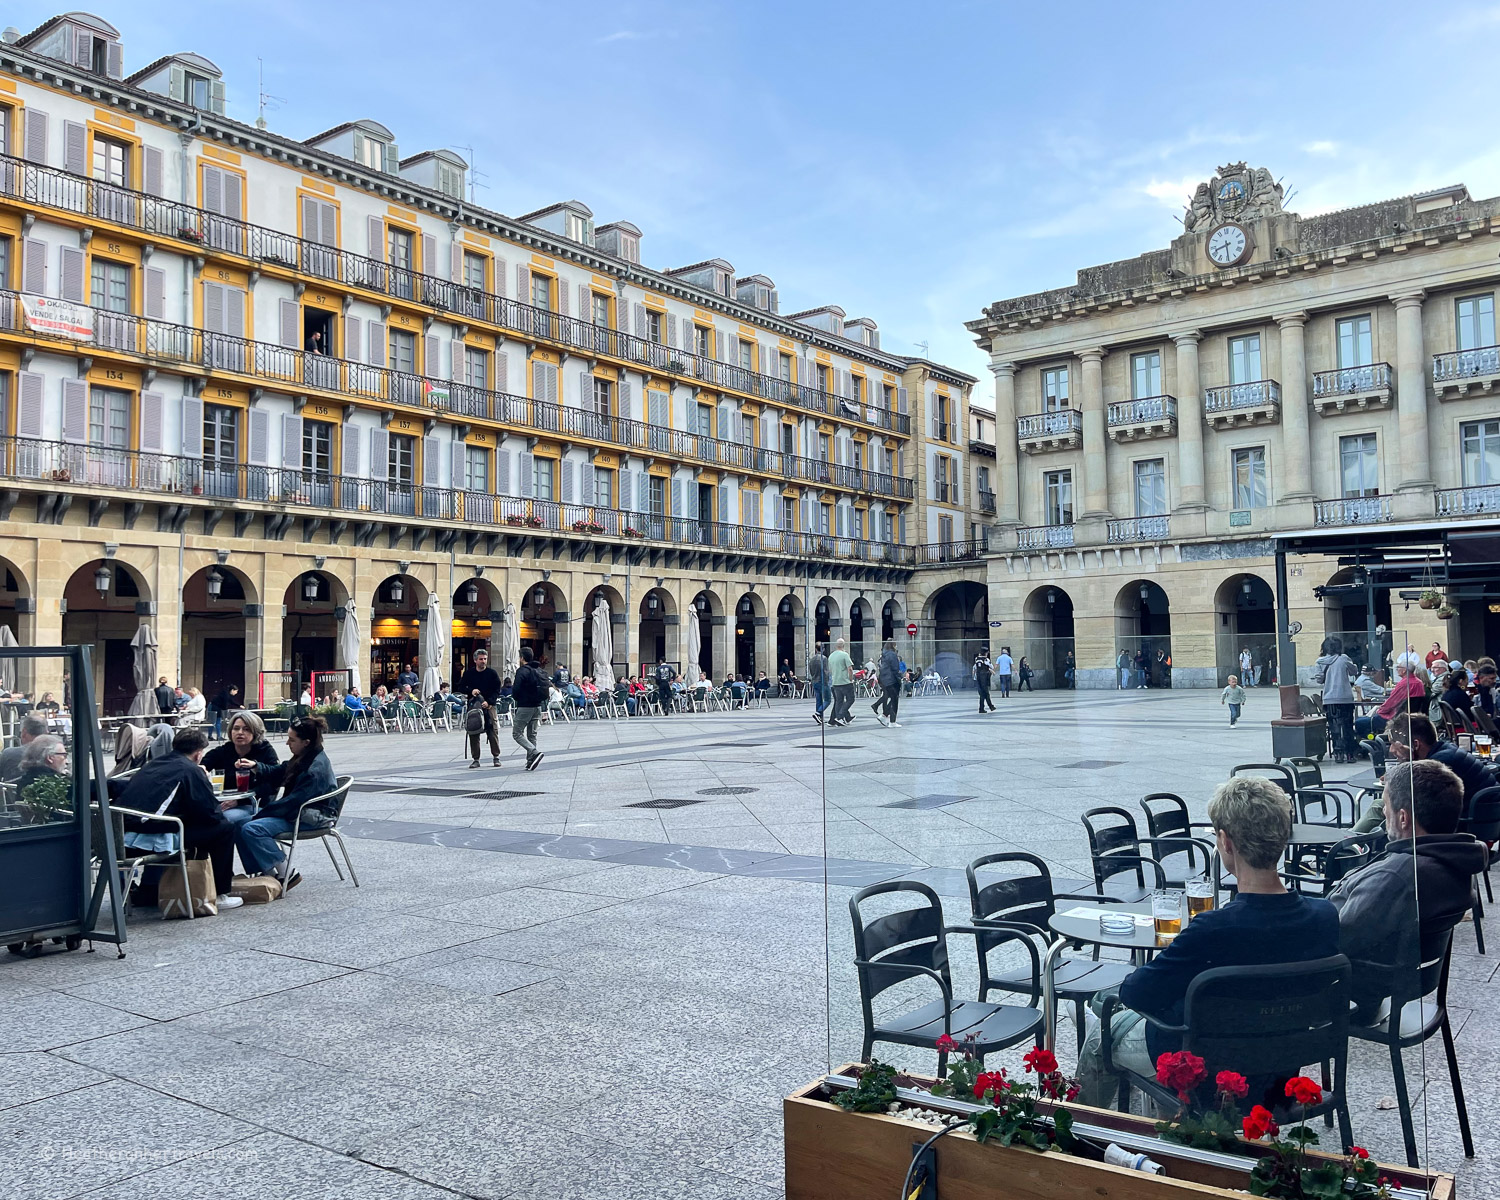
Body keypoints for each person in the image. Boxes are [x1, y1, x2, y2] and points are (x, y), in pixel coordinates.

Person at [1075, 775, 1339, 1106]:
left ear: (1225, 842)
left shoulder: (1213, 929)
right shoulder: (1324, 917)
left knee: (1101, 1034)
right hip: (1281, 1068)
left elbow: (1136, 994)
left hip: (1205, 1070)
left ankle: (1083, 1126)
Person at [1331, 759, 1486, 1021]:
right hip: (1388, 985)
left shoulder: (1397, 877)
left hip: (1353, 996)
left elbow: (1337, 939)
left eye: (1386, 806)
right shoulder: (1456, 861)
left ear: (1403, 818)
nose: (1383, 813)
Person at [120, 727, 243, 908]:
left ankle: (151, 888)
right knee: (224, 829)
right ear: (198, 754)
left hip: (123, 835)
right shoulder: (191, 770)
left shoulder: (153, 764)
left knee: (191, 826)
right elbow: (211, 813)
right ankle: (219, 894)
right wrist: (205, 782)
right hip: (151, 839)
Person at [234, 715, 338, 888]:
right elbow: (281, 770)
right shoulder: (305, 755)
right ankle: (266, 873)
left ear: (306, 742)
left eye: (291, 740)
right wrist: (255, 766)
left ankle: (287, 873)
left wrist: (262, 814)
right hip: (301, 811)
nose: (287, 743)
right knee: (239, 824)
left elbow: (292, 803)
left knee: (252, 828)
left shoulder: (313, 769)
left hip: (310, 817)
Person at [200, 710, 281, 827]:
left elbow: (274, 781)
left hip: (254, 804)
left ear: (256, 732)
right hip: (223, 803)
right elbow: (204, 764)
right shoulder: (224, 751)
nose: (240, 733)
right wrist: (200, 768)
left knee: (223, 819)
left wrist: (239, 801)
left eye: (246, 729)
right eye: (236, 728)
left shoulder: (265, 751)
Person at [1313, 635, 1358, 763]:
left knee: (1335, 727)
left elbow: (1319, 679)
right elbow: (1354, 671)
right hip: (1345, 698)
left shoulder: (1320, 661)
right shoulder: (1344, 659)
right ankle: (1350, 754)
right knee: (1348, 726)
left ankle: (1338, 753)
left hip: (1330, 699)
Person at [1356, 661, 1425, 740]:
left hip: (1395, 717)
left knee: (1359, 722)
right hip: (1412, 716)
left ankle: (1370, 743)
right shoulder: (1419, 683)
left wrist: (1379, 711)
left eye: (1398, 667)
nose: (1396, 669)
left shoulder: (1404, 683)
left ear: (1404, 670)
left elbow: (1391, 703)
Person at [458, 647, 503, 767]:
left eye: (485, 659)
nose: (483, 661)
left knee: (492, 731)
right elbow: (461, 687)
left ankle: (496, 756)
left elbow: (497, 690)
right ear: (475, 660)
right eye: (481, 659)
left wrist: (489, 702)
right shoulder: (469, 673)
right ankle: (476, 759)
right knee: (473, 731)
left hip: (489, 706)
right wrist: (471, 691)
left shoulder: (492, 673)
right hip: (474, 706)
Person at [13, 734, 71, 820]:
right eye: (64, 756)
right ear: (50, 758)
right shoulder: (56, 784)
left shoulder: (25, 780)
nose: (67, 761)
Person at [511, 649, 548, 771]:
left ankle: (534, 752)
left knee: (517, 733)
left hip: (525, 706)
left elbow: (516, 689)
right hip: (537, 706)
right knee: (532, 734)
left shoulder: (522, 671)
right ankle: (530, 761)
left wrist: (518, 698)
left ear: (522, 658)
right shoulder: (539, 670)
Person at [0, 711, 48, 781]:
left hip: (13, 788)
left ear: (24, 732)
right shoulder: (53, 755)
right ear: (46, 733)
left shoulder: (8, 754)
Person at [871, 639, 903, 728]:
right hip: (892, 679)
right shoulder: (892, 654)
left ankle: (884, 716)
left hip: (885, 679)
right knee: (895, 700)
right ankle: (892, 721)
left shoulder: (884, 655)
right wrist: (899, 677)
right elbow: (895, 668)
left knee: (893, 698)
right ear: (893, 645)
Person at [828, 638, 856, 726]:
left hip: (835, 682)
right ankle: (840, 716)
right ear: (843, 645)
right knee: (850, 699)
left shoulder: (831, 656)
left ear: (836, 645)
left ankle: (838, 718)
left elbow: (830, 670)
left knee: (839, 701)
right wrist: (850, 679)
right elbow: (850, 669)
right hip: (845, 681)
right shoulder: (845, 655)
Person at [807, 643, 830, 725]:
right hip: (822, 681)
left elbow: (810, 671)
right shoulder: (824, 658)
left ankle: (820, 717)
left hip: (815, 681)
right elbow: (826, 671)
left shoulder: (812, 659)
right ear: (823, 649)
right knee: (827, 700)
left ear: (816, 649)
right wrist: (827, 682)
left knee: (818, 699)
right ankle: (819, 713)